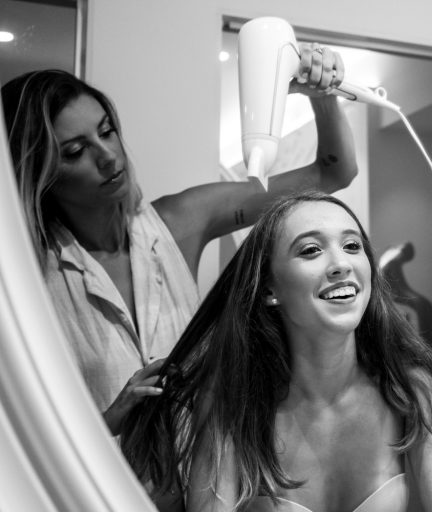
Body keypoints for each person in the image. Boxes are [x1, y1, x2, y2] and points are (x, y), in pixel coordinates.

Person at [0, 43, 356, 439]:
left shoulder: (179, 222)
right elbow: (21, 438)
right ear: (38, 173)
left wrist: (323, 96)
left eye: (107, 131)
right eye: (75, 151)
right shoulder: (28, 277)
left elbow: (333, 173)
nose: (108, 157)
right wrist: (109, 421)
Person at [120, 191, 432, 512]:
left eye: (352, 245)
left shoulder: (412, 389)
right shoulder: (233, 401)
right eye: (311, 250)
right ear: (270, 288)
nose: (341, 264)